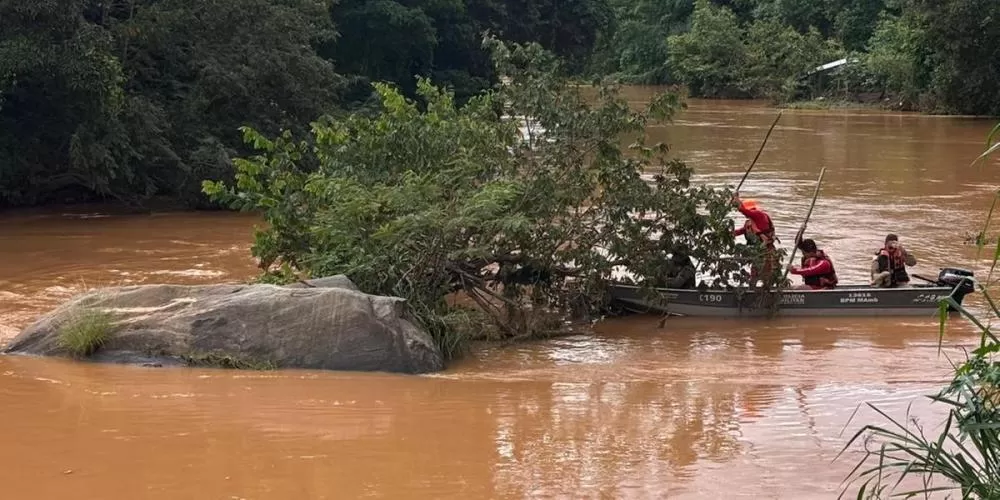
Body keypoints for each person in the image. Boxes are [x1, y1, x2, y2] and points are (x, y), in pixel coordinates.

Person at [732, 195, 779, 286]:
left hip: (766, 251)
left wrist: (737, 200)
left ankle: (766, 292)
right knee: (755, 274)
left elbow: (743, 211)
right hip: (758, 251)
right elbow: (742, 230)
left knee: (767, 275)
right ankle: (753, 290)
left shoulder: (758, 215)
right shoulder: (751, 221)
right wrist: (729, 233)